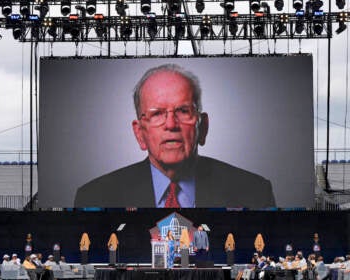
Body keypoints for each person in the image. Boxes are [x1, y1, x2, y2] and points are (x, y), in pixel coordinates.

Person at [74, 64, 276, 208]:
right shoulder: (94, 197)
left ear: (202, 127)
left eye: (183, 111)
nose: (171, 125)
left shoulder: (254, 192)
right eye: (157, 114)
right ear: (139, 134)